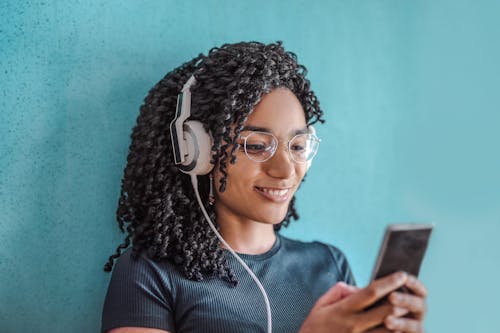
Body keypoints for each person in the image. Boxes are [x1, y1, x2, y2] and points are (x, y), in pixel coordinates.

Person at [102, 41, 427, 333]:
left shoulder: (329, 265)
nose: (285, 170)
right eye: (257, 146)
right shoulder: (151, 273)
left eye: (297, 146)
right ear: (197, 152)